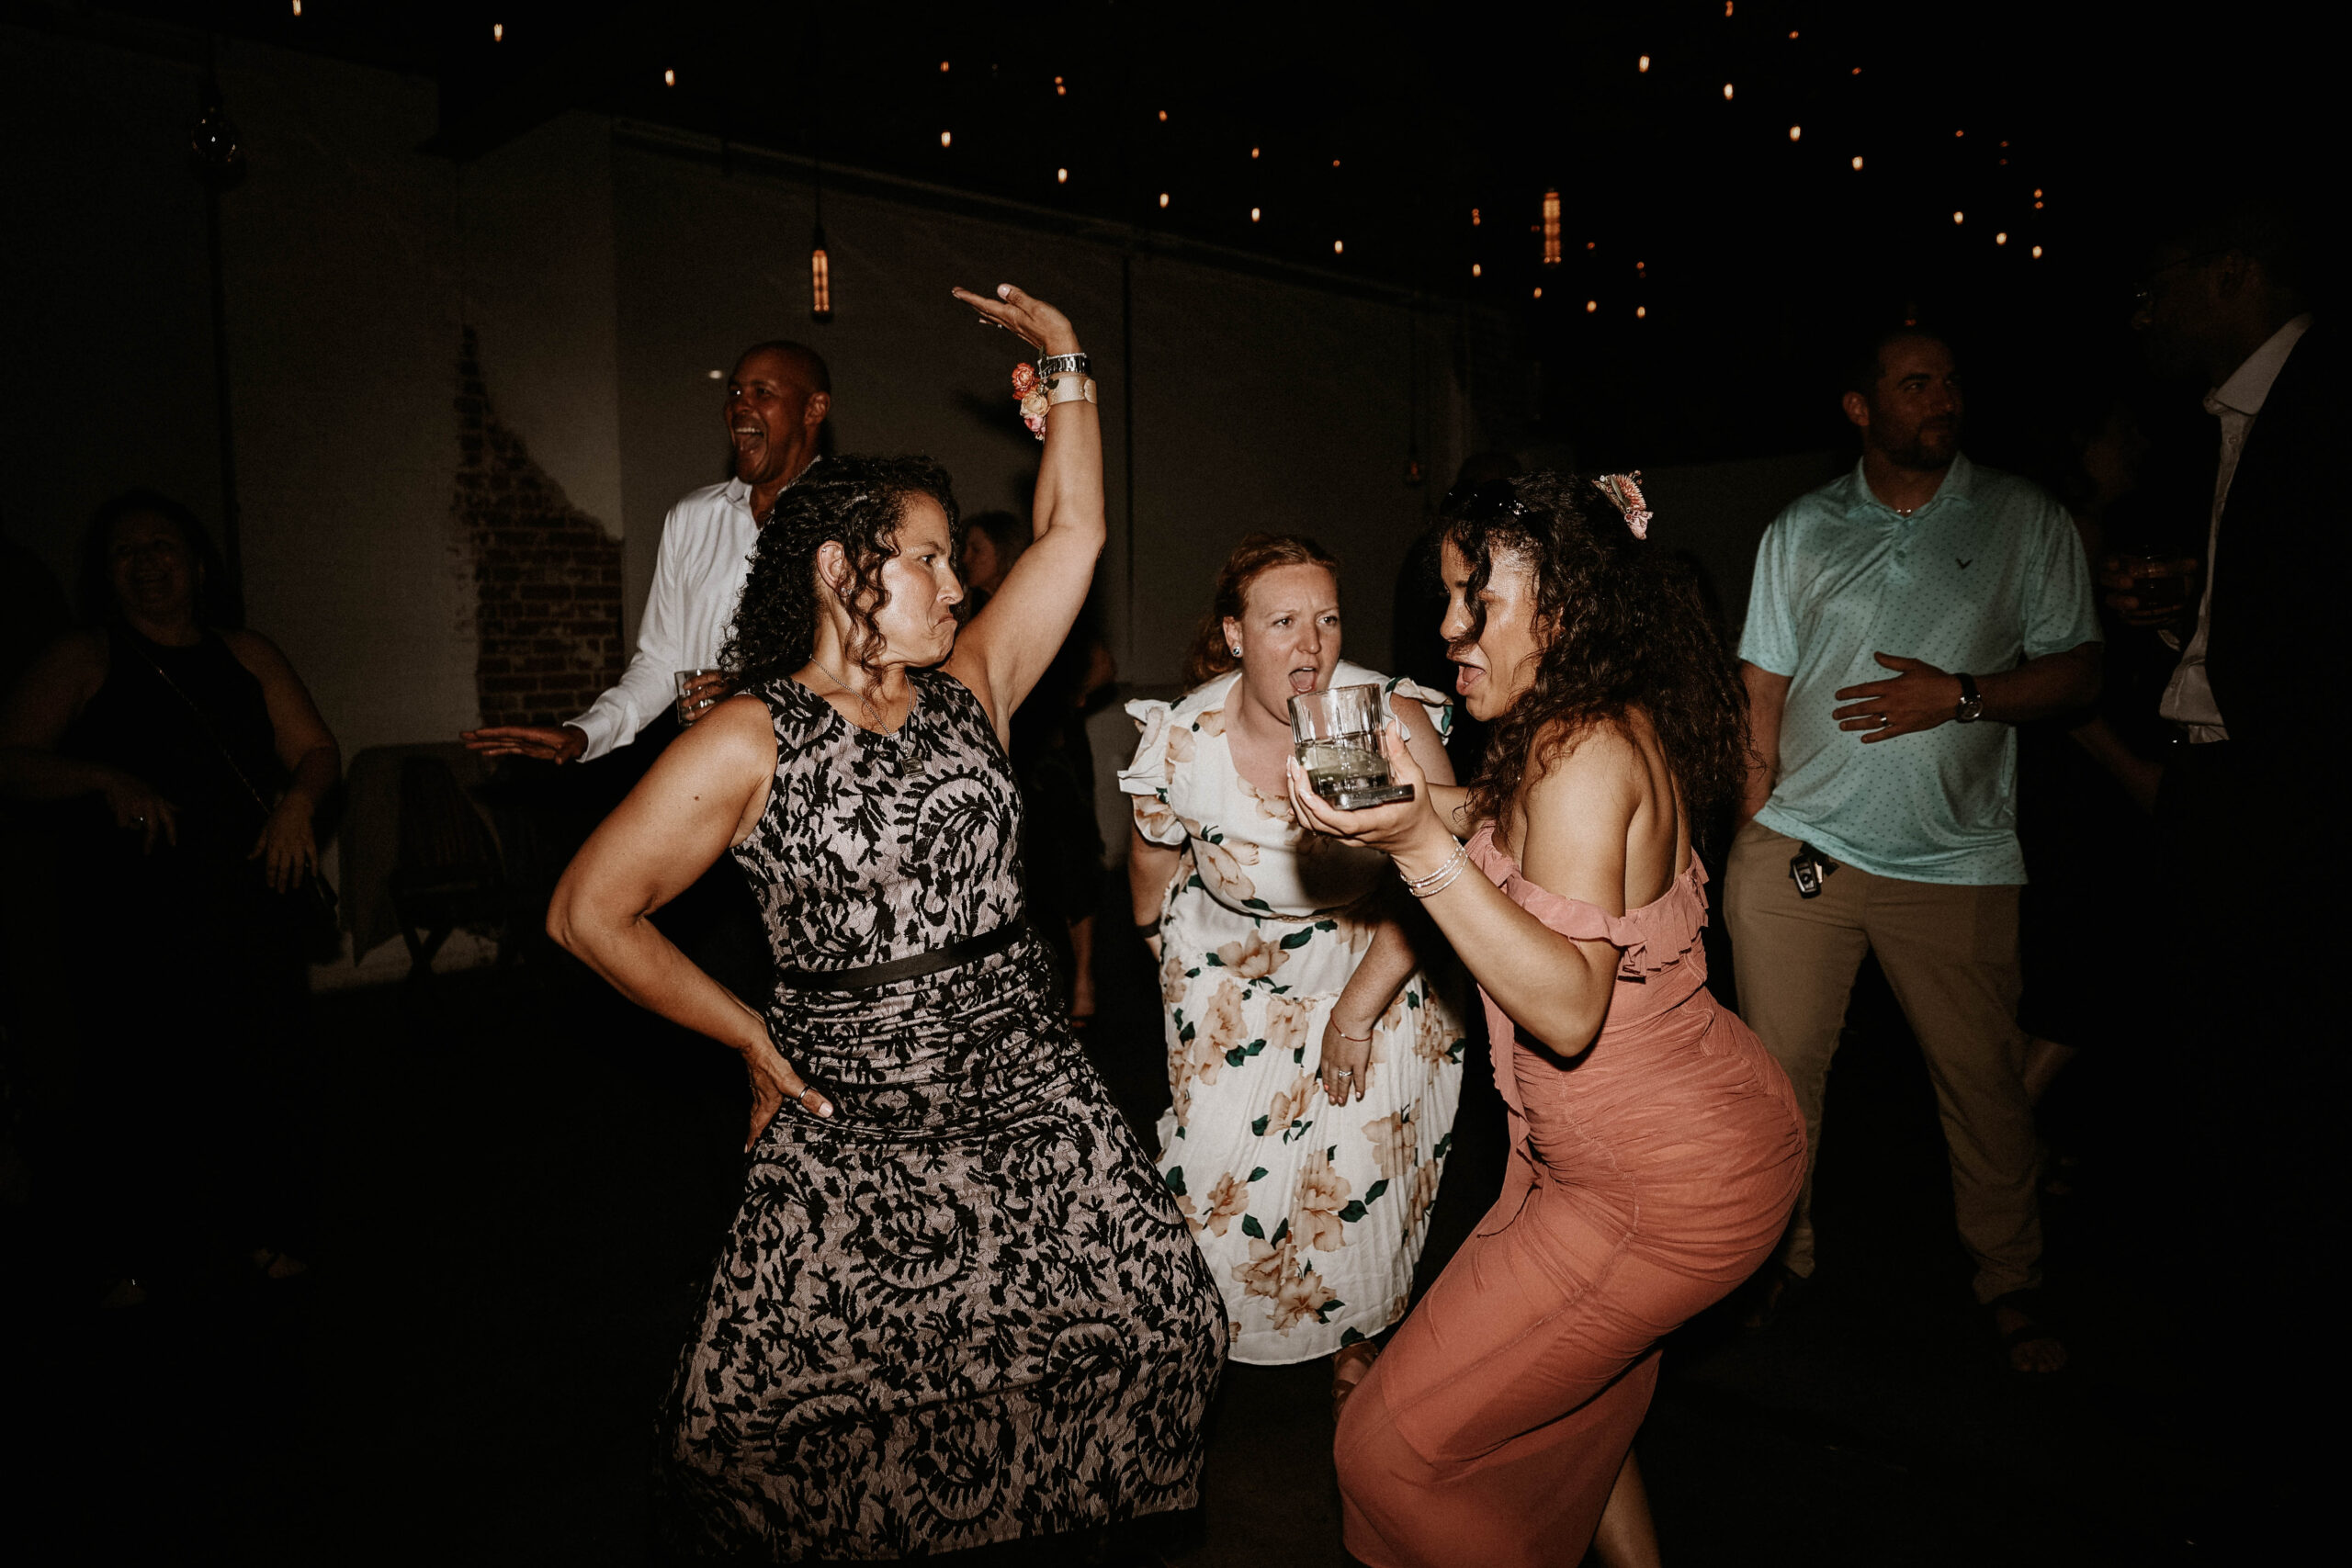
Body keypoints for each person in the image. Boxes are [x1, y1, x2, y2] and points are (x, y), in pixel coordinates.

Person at [545, 285, 1224, 1561]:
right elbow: (588, 910)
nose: (955, 578)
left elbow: (1071, 531)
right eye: (922, 553)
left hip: (1026, 1081)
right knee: (800, 1416)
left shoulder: (970, 688)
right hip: (855, 1102)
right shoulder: (750, 733)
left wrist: (1069, 361)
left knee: (1162, 1318)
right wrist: (748, 1031)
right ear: (837, 567)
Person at [1295, 471, 1804, 1568]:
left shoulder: (1580, 754)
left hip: (1654, 1182)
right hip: (1658, 1144)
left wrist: (1415, 851)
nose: (1446, 628)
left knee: (1384, 1454)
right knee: (1577, 1410)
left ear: (1561, 611)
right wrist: (1394, 806)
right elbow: (1481, 816)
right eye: (1448, 598)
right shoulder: (1564, 731)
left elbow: (1570, 1010)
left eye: (1475, 600)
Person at [1727, 327, 2102, 1374]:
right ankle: (1771, 1262)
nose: (1942, 398)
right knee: (1777, 1080)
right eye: (1915, 383)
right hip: (1803, 850)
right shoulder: (1802, 528)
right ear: (1860, 408)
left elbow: (2079, 673)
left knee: (1984, 1086)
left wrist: (1964, 694)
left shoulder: (2023, 517)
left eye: (1950, 381)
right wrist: (1745, 834)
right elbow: (1760, 692)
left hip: (1956, 862)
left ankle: (2011, 1279)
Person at [2106, 196, 2336, 1543]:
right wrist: (2195, 602)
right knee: (2218, 1085)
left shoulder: (2318, 407)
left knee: (2273, 1096)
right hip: (2220, 794)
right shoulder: (2228, 433)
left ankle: (2277, 1408)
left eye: (2164, 282)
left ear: (2233, 274)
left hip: (2283, 811)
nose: (2148, 312)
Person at [1121, 533, 1465, 1414]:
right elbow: (1153, 857)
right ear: (1235, 635)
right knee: (1210, 1180)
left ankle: (1356, 1345)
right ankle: (1196, 1340)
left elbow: (1451, 869)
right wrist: (1167, 956)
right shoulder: (1186, 736)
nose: (1311, 644)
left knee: (1350, 1176)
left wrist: (1356, 1007)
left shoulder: (1389, 718)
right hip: (1229, 979)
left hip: (1374, 962)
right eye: (1283, 621)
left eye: (1327, 619)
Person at [0, 490, 340, 1304]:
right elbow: (8, 758)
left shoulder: (246, 651)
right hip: (132, 911)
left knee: (260, 1069)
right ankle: (132, 1250)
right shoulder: (84, 655)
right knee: (137, 1080)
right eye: (126, 551)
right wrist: (101, 775)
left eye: (163, 547)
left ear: (195, 564)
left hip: (246, 897)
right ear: (104, 572)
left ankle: (263, 1232)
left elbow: (318, 750)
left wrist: (298, 801)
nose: (147, 564)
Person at [964, 509, 1117, 1026]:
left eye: (976, 550)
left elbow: (1102, 665)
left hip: (1052, 759)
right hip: (1014, 757)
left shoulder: (1035, 606)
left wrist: (1062, 702)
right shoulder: (965, 612)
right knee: (1025, 870)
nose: (964, 560)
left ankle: (1085, 979)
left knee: (1073, 862)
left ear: (1003, 552)